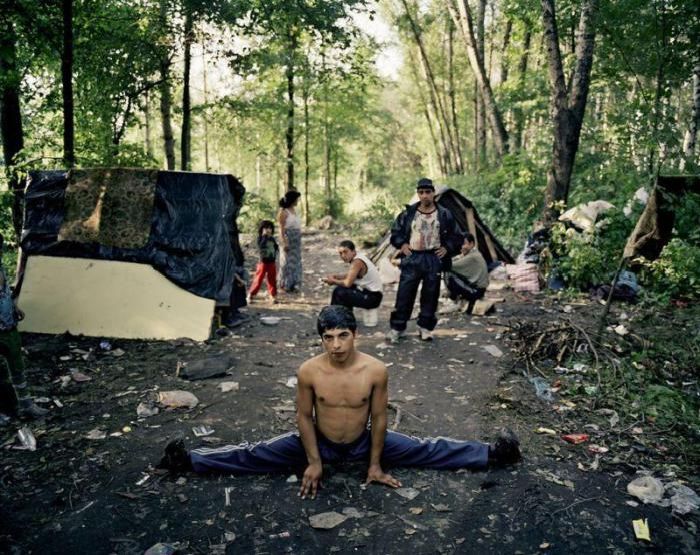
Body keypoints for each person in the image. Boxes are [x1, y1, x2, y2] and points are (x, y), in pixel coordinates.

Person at [159, 306, 521, 497]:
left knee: (426, 448)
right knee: (256, 453)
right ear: (321, 339)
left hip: (364, 442)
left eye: (343, 335)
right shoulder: (309, 371)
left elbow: (379, 418)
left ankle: (493, 453)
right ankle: (189, 461)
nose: (336, 345)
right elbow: (302, 416)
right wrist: (314, 461)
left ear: (355, 334)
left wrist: (375, 465)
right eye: (328, 337)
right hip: (319, 441)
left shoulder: (375, 370)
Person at [387, 178, 462, 342]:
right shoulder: (408, 213)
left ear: (433, 193)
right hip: (412, 257)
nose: (424, 196)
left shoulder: (444, 214)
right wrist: (402, 244)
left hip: (433, 258)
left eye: (428, 192)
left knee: (431, 294)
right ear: (418, 194)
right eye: (421, 192)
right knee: (405, 294)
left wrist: (447, 248)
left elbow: (457, 236)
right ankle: (397, 328)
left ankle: (425, 327)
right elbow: (396, 233)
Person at [0, 234, 48, 425]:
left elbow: (4, 294)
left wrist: (14, 307)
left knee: (17, 367)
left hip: (9, 326)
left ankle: (26, 404)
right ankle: (4, 411)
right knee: (0, 375)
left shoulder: (1, 268)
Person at [323, 240, 383, 313]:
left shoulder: (357, 262)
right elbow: (351, 275)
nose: (343, 256)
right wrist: (336, 277)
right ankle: (343, 316)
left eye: (345, 252)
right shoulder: (358, 258)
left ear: (353, 251)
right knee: (343, 290)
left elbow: (347, 283)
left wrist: (333, 281)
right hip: (372, 295)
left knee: (339, 291)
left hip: (373, 298)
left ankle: (337, 316)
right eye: (340, 253)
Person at [445, 232, 489, 309]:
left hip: (476, 292)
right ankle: (456, 296)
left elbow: (450, 265)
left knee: (448, 273)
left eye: (464, 244)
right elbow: (456, 259)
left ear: (471, 244)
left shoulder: (472, 257)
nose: (462, 247)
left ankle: (454, 299)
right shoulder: (473, 253)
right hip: (479, 290)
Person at [277, 190, 303, 293]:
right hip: (288, 238)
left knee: (296, 261)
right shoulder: (283, 212)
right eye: (296, 199)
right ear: (292, 199)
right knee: (286, 262)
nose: (298, 201)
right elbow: (281, 230)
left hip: (296, 239)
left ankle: (294, 283)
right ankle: (284, 284)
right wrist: (284, 242)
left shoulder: (294, 211)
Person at [248, 220, 279, 303]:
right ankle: (251, 294)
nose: (268, 230)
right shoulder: (260, 238)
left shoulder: (272, 239)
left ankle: (272, 295)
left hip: (272, 262)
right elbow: (261, 246)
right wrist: (264, 236)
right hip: (263, 262)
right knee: (258, 279)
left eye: (270, 228)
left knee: (272, 279)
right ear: (262, 229)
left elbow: (275, 247)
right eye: (266, 228)